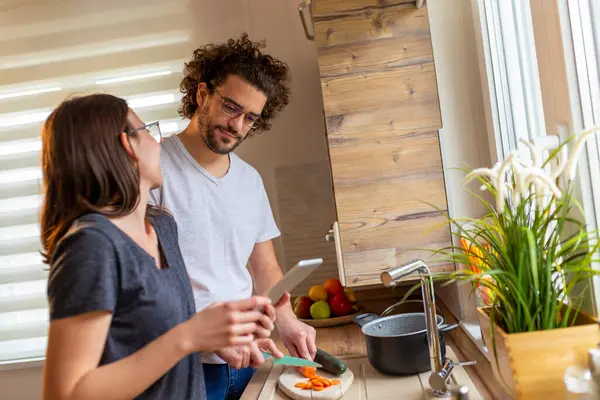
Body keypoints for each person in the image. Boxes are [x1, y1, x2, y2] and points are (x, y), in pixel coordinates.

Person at [40, 93, 284, 400]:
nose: (159, 144)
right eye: (148, 132)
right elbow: (65, 393)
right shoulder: (91, 246)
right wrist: (190, 335)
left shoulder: (161, 226)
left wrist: (214, 337)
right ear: (128, 144)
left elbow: (157, 334)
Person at [150, 33, 317, 398]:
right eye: (230, 107)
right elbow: (143, 282)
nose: (238, 126)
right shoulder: (153, 168)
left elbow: (264, 267)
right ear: (201, 94)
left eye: (251, 118)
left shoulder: (249, 180)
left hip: (247, 361)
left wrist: (286, 320)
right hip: (182, 366)